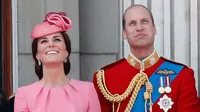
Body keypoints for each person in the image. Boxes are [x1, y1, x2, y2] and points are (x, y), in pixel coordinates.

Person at [93, 4, 200, 112]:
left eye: (144, 21)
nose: (139, 28)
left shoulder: (182, 75)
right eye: (132, 23)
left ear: (154, 29)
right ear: (124, 33)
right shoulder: (105, 78)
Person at [14, 12, 101, 112]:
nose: (51, 44)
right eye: (44, 41)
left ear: (66, 53)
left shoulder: (88, 90)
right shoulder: (24, 95)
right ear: (37, 55)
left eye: (57, 39)